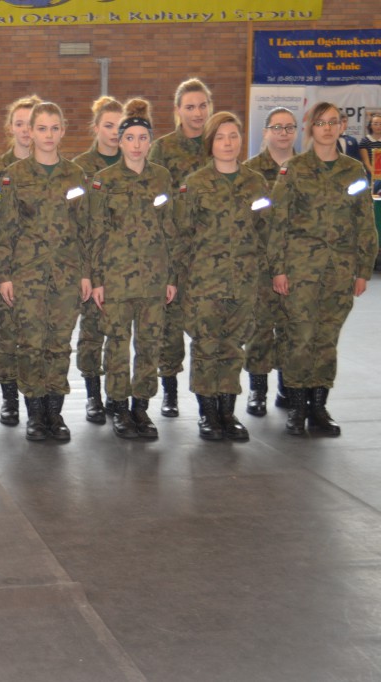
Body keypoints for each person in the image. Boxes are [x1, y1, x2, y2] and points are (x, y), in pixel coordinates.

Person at [268, 101, 378, 437]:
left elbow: (365, 223)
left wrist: (363, 270)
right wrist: (279, 269)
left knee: (327, 339)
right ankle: (298, 406)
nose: (327, 128)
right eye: (320, 122)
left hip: (339, 271)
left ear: (343, 126)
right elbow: (279, 222)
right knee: (300, 338)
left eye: (333, 122)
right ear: (309, 128)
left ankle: (319, 406)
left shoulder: (354, 172)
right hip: (301, 270)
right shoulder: (294, 170)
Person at [0, 101, 88, 442]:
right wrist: (5, 274)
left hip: (65, 275)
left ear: (62, 131)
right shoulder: (15, 177)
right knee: (31, 345)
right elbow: (4, 229)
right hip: (27, 276)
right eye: (41, 128)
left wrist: (86, 273)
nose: (48, 135)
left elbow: (84, 228)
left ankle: (55, 413)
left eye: (54, 128)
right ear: (29, 132)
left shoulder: (76, 175)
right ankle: (35, 414)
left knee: (59, 345)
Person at [175, 112, 271, 441]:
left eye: (233, 136)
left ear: (241, 140)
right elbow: (182, 236)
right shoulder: (195, 184)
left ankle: (227, 413)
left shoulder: (256, 183)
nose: (228, 143)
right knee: (206, 347)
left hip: (243, 280)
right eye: (220, 137)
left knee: (233, 347)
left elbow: (265, 230)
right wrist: (183, 281)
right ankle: (207, 414)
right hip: (204, 283)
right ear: (210, 143)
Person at [89, 98, 181, 440]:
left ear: (150, 141)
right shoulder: (104, 181)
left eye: (143, 138)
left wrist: (171, 277)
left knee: (150, 345)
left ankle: (140, 406)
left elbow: (169, 228)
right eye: (131, 138)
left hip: (154, 280)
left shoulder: (162, 177)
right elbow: (95, 233)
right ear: (121, 141)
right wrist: (97, 280)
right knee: (116, 344)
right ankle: (118, 406)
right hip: (116, 281)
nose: (137, 144)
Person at [149, 78, 213, 418]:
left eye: (202, 105)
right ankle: (169, 392)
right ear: (177, 111)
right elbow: (155, 200)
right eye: (190, 106)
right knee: (169, 328)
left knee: (207, 328)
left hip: (210, 255)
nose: (197, 112)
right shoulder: (161, 149)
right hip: (173, 252)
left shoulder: (218, 144)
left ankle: (207, 399)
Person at [0, 94, 42, 427]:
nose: (24, 130)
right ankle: (9, 399)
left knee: (40, 336)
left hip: (41, 269)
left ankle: (38, 400)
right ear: (11, 128)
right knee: (8, 335)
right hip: (7, 267)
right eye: (18, 123)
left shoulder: (51, 167)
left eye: (29, 123)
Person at [72, 95, 124, 425]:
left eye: (121, 126)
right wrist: (85, 271)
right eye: (109, 125)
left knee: (120, 337)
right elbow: (75, 224)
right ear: (95, 128)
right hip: (93, 263)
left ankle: (118, 398)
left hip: (127, 267)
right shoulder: (80, 168)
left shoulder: (136, 163)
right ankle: (93, 396)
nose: (116, 132)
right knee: (92, 333)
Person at [243, 107, 298, 415]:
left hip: (297, 263)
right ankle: (258, 391)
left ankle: (287, 389)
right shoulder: (249, 173)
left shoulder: (305, 169)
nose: (283, 133)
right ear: (265, 132)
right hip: (261, 266)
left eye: (289, 127)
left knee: (293, 328)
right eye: (276, 127)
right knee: (261, 329)